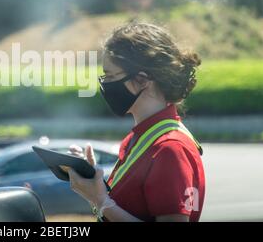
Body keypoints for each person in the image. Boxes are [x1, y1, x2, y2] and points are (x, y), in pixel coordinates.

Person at [65, 23, 205, 222]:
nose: (105, 83)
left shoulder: (170, 149)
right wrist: (94, 188)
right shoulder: (138, 138)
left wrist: (101, 201)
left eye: (111, 76)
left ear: (142, 79)